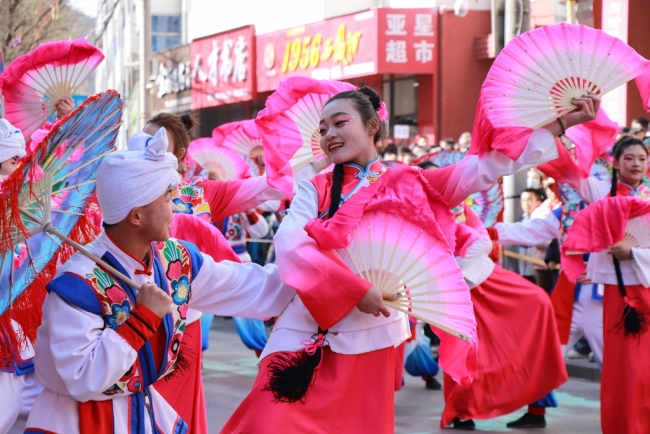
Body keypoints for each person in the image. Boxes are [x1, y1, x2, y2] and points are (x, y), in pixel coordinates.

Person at [221, 87, 599, 433]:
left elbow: (485, 168)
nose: (329, 134)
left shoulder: (413, 183)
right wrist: (354, 289)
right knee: (265, 419)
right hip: (304, 332)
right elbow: (290, 245)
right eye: (322, 129)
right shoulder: (314, 188)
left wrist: (559, 124)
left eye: (340, 123)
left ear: (372, 126)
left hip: (373, 338)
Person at [23, 132, 297, 433]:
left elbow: (246, 286)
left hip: (141, 413)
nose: (173, 209)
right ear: (137, 216)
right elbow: (82, 376)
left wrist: (315, 278)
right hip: (79, 421)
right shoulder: (77, 284)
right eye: (167, 199)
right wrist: (143, 318)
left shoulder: (174, 259)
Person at [442, 205, 566, 430]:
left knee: (539, 325)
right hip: (461, 292)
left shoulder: (461, 211)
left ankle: (537, 407)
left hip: (484, 282)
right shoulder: (430, 213)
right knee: (464, 353)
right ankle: (462, 411)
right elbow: (530, 230)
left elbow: (482, 242)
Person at [570, 137, 650, 434]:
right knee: (623, 367)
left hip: (646, 287)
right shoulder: (603, 196)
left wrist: (634, 253)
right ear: (615, 163)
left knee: (644, 367)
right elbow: (570, 172)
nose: (636, 164)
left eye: (641, 158)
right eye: (628, 158)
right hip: (618, 292)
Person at [0, 119, 45, 434]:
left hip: (17, 314)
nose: (21, 163)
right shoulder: (9, 197)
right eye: (14, 158)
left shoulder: (18, 197)